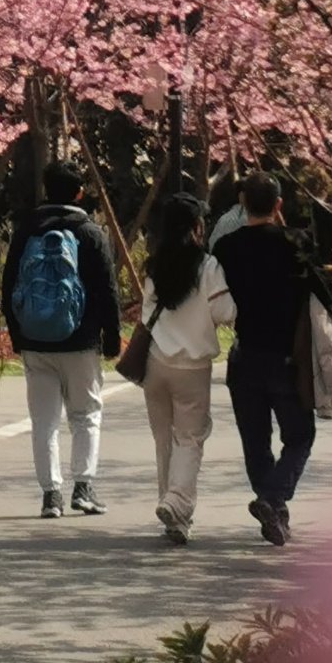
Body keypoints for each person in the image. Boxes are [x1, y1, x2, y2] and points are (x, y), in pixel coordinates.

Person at [1, 159, 123, 518]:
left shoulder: (27, 231)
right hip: (82, 341)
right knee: (85, 415)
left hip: (36, 342)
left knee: (44, 421)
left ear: (46, 190)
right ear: (79, 193)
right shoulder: (90, 232)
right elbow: (107, 288)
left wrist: (16, 333)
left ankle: (50, 495)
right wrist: (112, 334)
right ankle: (83, 488)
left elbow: (10, 286)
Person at [201, 172, 315, 546]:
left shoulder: (227, 248)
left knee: (255, 440)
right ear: (279, 204)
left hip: (245, 355)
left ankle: (274, 509)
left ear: (242, 203)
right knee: (300, 434)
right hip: (287, 358)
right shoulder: (297, 243)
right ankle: (273, 498)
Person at [137, 194, 233, 545]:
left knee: (164, 441)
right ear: (196, 227)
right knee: (189, 438)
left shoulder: (155, 265)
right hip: (192, 367)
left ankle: (172, 515)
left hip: (155, 363)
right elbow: (225, 312)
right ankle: (177, 503)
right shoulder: (207, 267)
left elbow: (147, 315)